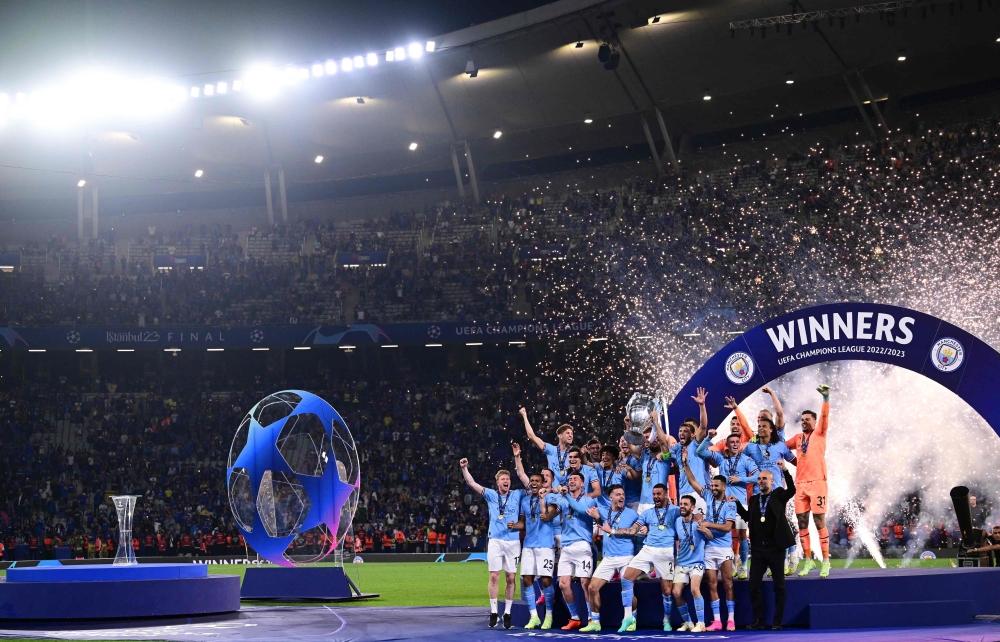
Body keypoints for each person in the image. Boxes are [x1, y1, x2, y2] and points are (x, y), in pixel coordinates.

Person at [460, 457, 525, 629]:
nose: (506, 481)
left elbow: (527, 483)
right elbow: (472, 483)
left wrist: (517, 459)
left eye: (508, 479)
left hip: (513, 541)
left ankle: (508, 613)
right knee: (494, 576)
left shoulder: (517, 494)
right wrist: (464, 468)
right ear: (497, 483)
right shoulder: (490, 495)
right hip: (495, 540)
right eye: (503, 479)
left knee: (511, 577)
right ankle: (494, 612)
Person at [566, 485, 639, 632]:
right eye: (618, 494)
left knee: (628, 589)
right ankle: (595, 621)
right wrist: (567, 495)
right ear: (610, 498)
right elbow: (580, 509)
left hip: (626, 556)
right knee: (592, 587)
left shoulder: (632, 514)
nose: (622, 497)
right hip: (608, 558)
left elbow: (637, 532)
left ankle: (632, 619)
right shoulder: (604, 511)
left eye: (623, 494)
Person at [735, 463, 796, 631]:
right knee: (753, 585)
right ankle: (758, 620)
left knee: (779, 586)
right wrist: (737, 505)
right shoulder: (754, 499)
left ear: (772, 480)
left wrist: (785, 471)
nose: (761, 481)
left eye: (764, 479)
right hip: (758, 551)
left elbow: (792, 490)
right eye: (759, 479)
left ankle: (777, 621)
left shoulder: (778, 496)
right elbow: (748, 517)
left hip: (776, 549)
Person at [696, 429, 758, 581]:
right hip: (722, 505)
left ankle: (744, 565)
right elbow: (700, 452)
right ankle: (734, 563)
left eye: (737, 442)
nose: (735, 444)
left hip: (739, 503)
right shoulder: (721, 459)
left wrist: (741, 479)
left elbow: (758, 476)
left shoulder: (746, 460)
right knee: (730, 535)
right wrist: (708, 438)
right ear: (727, 445)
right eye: (732, 442)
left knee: (743, 535)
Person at [785, 384, 832, 578]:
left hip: (817, 483)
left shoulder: (820, 433)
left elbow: (825, 418)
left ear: (814, 421)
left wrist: (826, 399)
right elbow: (781, 447)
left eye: (807, 419)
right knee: (802, 523)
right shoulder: (797, 438)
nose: (804, 422)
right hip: (800, 485)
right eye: (802, 420)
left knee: (819, 522)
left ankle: (826, 562)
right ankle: (808, 561)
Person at [742, 413, 796, 576]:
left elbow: (795, 461)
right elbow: (741, 464)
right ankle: (760, 562)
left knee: (778, 526)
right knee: (759, 528)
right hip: (758, 493)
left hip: (777, 491)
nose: (760, 428)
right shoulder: (750, 446)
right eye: (758, 426)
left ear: (771, 429)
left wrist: (805, 472)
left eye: (764, 426)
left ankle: (784, 561)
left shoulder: (780, 445)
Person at [622, 483, 680, 632]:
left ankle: (667, 620)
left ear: (666, 494)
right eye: (654, 494)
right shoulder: (647, 512)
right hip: (648, 549)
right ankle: (630, 617)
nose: (656, 497)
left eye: (659, 494)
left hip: (666, 551)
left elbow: (686, 518)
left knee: (667, 591)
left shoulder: (675, 511)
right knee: (626, 578)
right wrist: (635, 529)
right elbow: (636, 526)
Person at [685, 473, 738, 632]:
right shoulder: (708, 496)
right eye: (712, 485)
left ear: (724, 487)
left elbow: (728, 528)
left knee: (728, 583)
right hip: (709, 548)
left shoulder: (730, 504)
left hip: (723, 548)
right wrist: (685, 463)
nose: (713, 488)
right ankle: (716, 621)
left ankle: (730, 619)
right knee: (712, 584)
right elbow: (693, 481)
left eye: (717, 486)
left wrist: (707, 524)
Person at [510, 466, 560, 629]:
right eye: (531, 481)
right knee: (527, 579)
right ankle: (534, 617)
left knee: (546, 580)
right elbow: (523, 523)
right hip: (529, 545)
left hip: (545, 545)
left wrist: (542, 499)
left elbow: (547, 517)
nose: (533, 483)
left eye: (536, 481)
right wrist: (513, 525)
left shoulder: (551, 497)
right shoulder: (525, 501)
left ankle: (549, 616)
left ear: (542, 483)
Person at [554, 472, 598, 630]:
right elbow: (553, 514)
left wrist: (566, 497)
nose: (571, 481)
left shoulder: (589, 499)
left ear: (582, 484)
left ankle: (592, 618)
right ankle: (575, 618)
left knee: (585, 583)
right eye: (570, 479)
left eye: (575, 479)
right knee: (563, 584)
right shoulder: (562, 500)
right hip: (566, 547)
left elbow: (580, 509)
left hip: (582, 545)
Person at [673, 494, 714, 632]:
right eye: (681, 504)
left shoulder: (699, 521)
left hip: (696, 562)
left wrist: (705, 530)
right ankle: (688, 622)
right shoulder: (678, 521)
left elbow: (711, 536)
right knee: (676, 593)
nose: (682, 506)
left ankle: (701, 624)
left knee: (694, 589)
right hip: (681, 563)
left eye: (685, 504)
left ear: (693, 507)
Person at [520, 407, 575, 489]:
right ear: (560, 436)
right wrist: (524, 416)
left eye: (571, 433)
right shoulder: (551, 450)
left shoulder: (575, 452)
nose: (571, 435)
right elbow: (532, 436)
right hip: (552, 492)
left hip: (569, 492)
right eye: (567, 433)